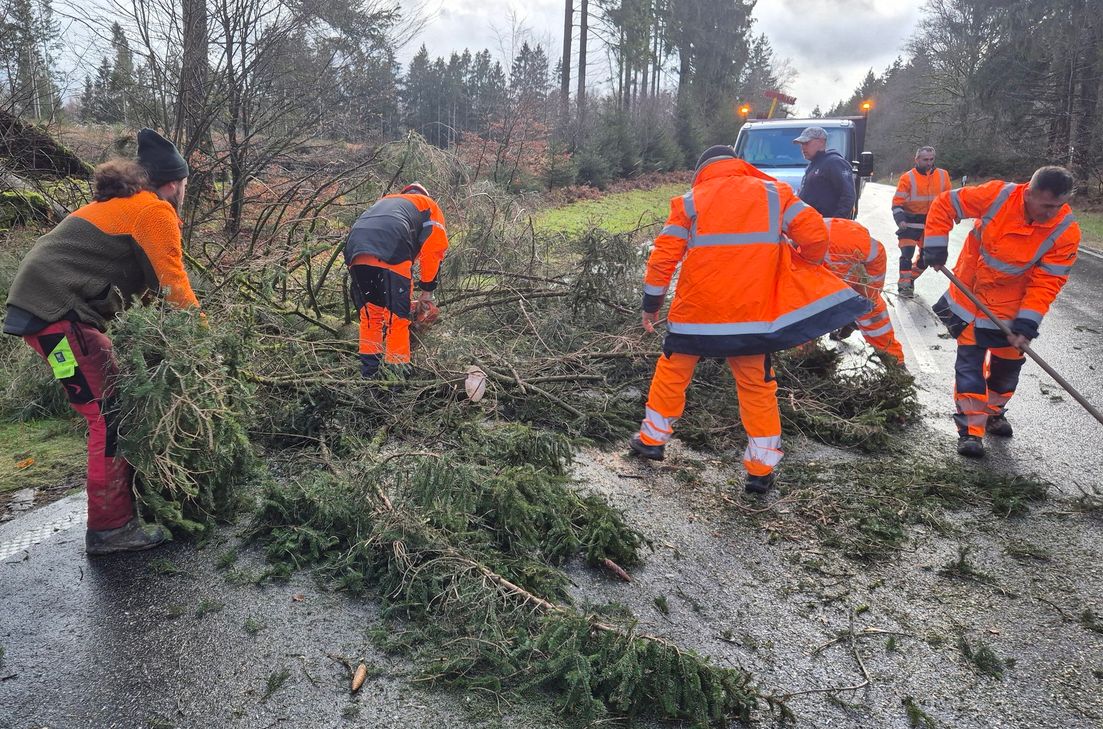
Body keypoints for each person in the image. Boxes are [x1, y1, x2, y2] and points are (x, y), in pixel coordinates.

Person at [629, 145, 870, 493]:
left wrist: (651, 304)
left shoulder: (690, 201)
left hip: (695, 314)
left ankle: (652, 439)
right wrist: (805, 264)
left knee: (673, 369)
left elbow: (664, 257)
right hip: (752, 317)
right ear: (738, 165)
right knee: (756, 386)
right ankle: (759, 468)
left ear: (703, 170)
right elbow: (816, 234)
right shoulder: (776, 194)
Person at [4, 128, 198, 555]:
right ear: (172, 183)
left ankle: (116, 516)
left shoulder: (118, 206)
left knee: (103, 410)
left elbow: (144, 287)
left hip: (41, 321)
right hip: (61, 319)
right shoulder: (153, 210)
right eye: (184, 184)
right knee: (110, 417)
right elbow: (172, 285)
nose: (184, 191)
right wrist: (204, 339)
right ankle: (110, 529)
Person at [923, 166, 1080, 458]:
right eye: (1046, 205)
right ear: (1028, 192)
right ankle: (970, 430)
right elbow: (945, 203)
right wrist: (935, 244)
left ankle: (993, 413)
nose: (1051, 212)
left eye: (1058, 206)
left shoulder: (1065, 230)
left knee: (1006, 370)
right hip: (972, 296)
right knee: (969, 366)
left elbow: (1047, 281)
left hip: (1013, 307)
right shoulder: (997, 195)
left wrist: (1028, 323)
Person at [343, 183, 449, 380]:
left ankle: (369, 377)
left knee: (370, 317)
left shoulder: (385, 202)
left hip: (355, 252)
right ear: (424, 194)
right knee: (396, 319)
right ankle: (395, 379)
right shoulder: (428, 205)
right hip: (392, 248)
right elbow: (433, 251)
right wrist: (427, 291)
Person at [823, 218, 906, 365]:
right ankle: (804, 361)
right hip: (817, 288)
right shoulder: (797, 246)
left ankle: (896, 365)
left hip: (854, 282)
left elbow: (877, 256)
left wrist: (869, 294)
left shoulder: (855, 243)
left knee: (874, 318)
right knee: (799, 322)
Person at [892, 146, 952, 297]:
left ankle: (910, 278)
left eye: (931, 159)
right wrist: (900, 221)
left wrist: (954, 215)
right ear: (917, 159)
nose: (929, 163)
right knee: (907, 254)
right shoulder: (907, 178)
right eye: (925, 160)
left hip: (932, 225)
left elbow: (949, 199)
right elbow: (897, 203)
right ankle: (904, 287)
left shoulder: (943, 175)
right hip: (910, 223)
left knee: (926, 259)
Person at [794, 126, 855, 218]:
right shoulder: (813, 165)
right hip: (813, 225)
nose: (803, 148)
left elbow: (848, 196)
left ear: (821, 141)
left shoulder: (834, 162)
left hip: (827, 226)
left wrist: (836, 222)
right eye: (801, 144)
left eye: (806, 143)